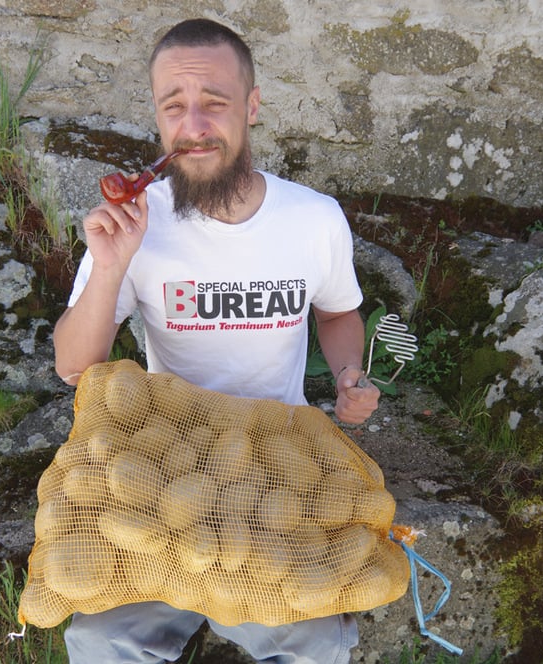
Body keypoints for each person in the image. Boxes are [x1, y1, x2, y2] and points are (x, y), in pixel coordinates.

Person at [53, 17, 380, 664]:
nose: (194, 124)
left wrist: (349, 374)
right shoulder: (132, 225)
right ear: (158, 117)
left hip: (278, 468)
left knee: (312, 643)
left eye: (215, 103)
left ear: (252, 107)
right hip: (161, 462)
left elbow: (339, 314)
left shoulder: (313, 219)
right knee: (97, 640)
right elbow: (74, 366)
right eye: (175, 106)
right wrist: (112, 264)